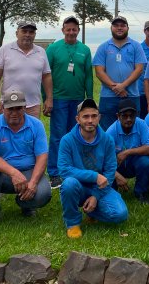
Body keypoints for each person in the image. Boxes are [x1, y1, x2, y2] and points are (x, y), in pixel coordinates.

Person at [0, 89, 52, 232]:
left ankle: (25, 205)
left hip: (29, 171)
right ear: (3, 107)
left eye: (19, 108)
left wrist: (33, 183)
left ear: (25, 107)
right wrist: (13, 173)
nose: (15, 112)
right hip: (2, 173)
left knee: (44, 193)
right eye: (10, 108)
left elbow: (42, 157)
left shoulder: (36, 125)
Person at [59, 98, 129, 239]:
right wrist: (94, 176)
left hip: (101, 188)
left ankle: (91, 211)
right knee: (69, 184)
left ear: (99, 117)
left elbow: (110, 171)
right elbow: (64, 169)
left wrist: (96, 196)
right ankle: (72, 223)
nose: (90, 120)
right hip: (78, 186)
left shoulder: (107, 140)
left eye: (93, 116)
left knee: (121, 214)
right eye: (85, 116)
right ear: (77, 119)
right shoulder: (67, 140)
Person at [45, 16, 94, 189]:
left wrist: (89, 99)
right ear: (63, 30)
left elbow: (89, 75)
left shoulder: (85, 50)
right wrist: (46, 98)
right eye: (68, 29)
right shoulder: (53, 49)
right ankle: (54, 172)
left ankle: (73, 169)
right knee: (58, 136)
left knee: (76, 134)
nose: (71, 32)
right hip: (59, 99)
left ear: (78, 31)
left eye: (74, 29)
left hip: (78, 100)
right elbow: (46, 75)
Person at [93, 16, 148, 131]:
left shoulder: (136, 46)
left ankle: (130, 150)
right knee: (107, 131)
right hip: (108, 97)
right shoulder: (103, 47)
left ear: (127, 28)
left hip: (131, 95)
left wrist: (123, 86)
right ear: (111, 28)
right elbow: (99, 71)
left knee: (132, 129)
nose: (119, 28)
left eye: (122, 25)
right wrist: (115, 88)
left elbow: (139, 69)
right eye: (116, 25)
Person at [0, 20, 53, 118]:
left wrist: (49, 99)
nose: (27, 34)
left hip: (33, 105)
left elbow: (46, 77)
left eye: (31, 32)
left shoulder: (41, 52)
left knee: (31, 132)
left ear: (34, 35)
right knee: (8, 133)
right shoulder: (5, 50)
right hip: (10, 105)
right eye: (24, 31)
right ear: (17, 33)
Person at [105, 99, 149, 203]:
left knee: (145, 162)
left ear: (136, 115)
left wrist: (126, 152)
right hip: (116, 165)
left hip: (134, 162)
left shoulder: (141, 124)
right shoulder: (111, 131)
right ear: (118, 116)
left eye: (132, 115)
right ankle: (112, 191)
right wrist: (117, 175)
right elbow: (103, 161)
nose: (128, 119)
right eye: (124, 116)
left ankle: (141, 192)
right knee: (109, 189)